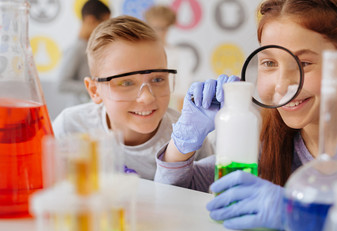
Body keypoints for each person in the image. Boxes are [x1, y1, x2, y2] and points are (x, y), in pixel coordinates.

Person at [154, 0, 337, 231]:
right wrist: (182, 144)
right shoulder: (266, 142)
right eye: (269, 63)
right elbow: (172, 197)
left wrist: (297, 212)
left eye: (304, 63)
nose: (282, 85)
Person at [52, 15, 215, 180]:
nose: (147, 97)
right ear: (94, 90)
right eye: (126, 83)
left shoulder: (189, 137)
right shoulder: (70, 128)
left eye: (158, 79)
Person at [57, 0, 111, 104]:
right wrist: (96, 87)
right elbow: (62, 84)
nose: (105, 29)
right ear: (90, 20)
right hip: (81, 109)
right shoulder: (76, 49)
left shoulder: (93, 47)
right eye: (103, 23)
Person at [144, 5, 193, 111]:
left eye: (162, 28)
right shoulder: (139, 52)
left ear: (168, 28)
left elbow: (184, 91)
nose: (158, 32)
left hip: (169, 107)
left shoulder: (179, 54)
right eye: (154, 27)